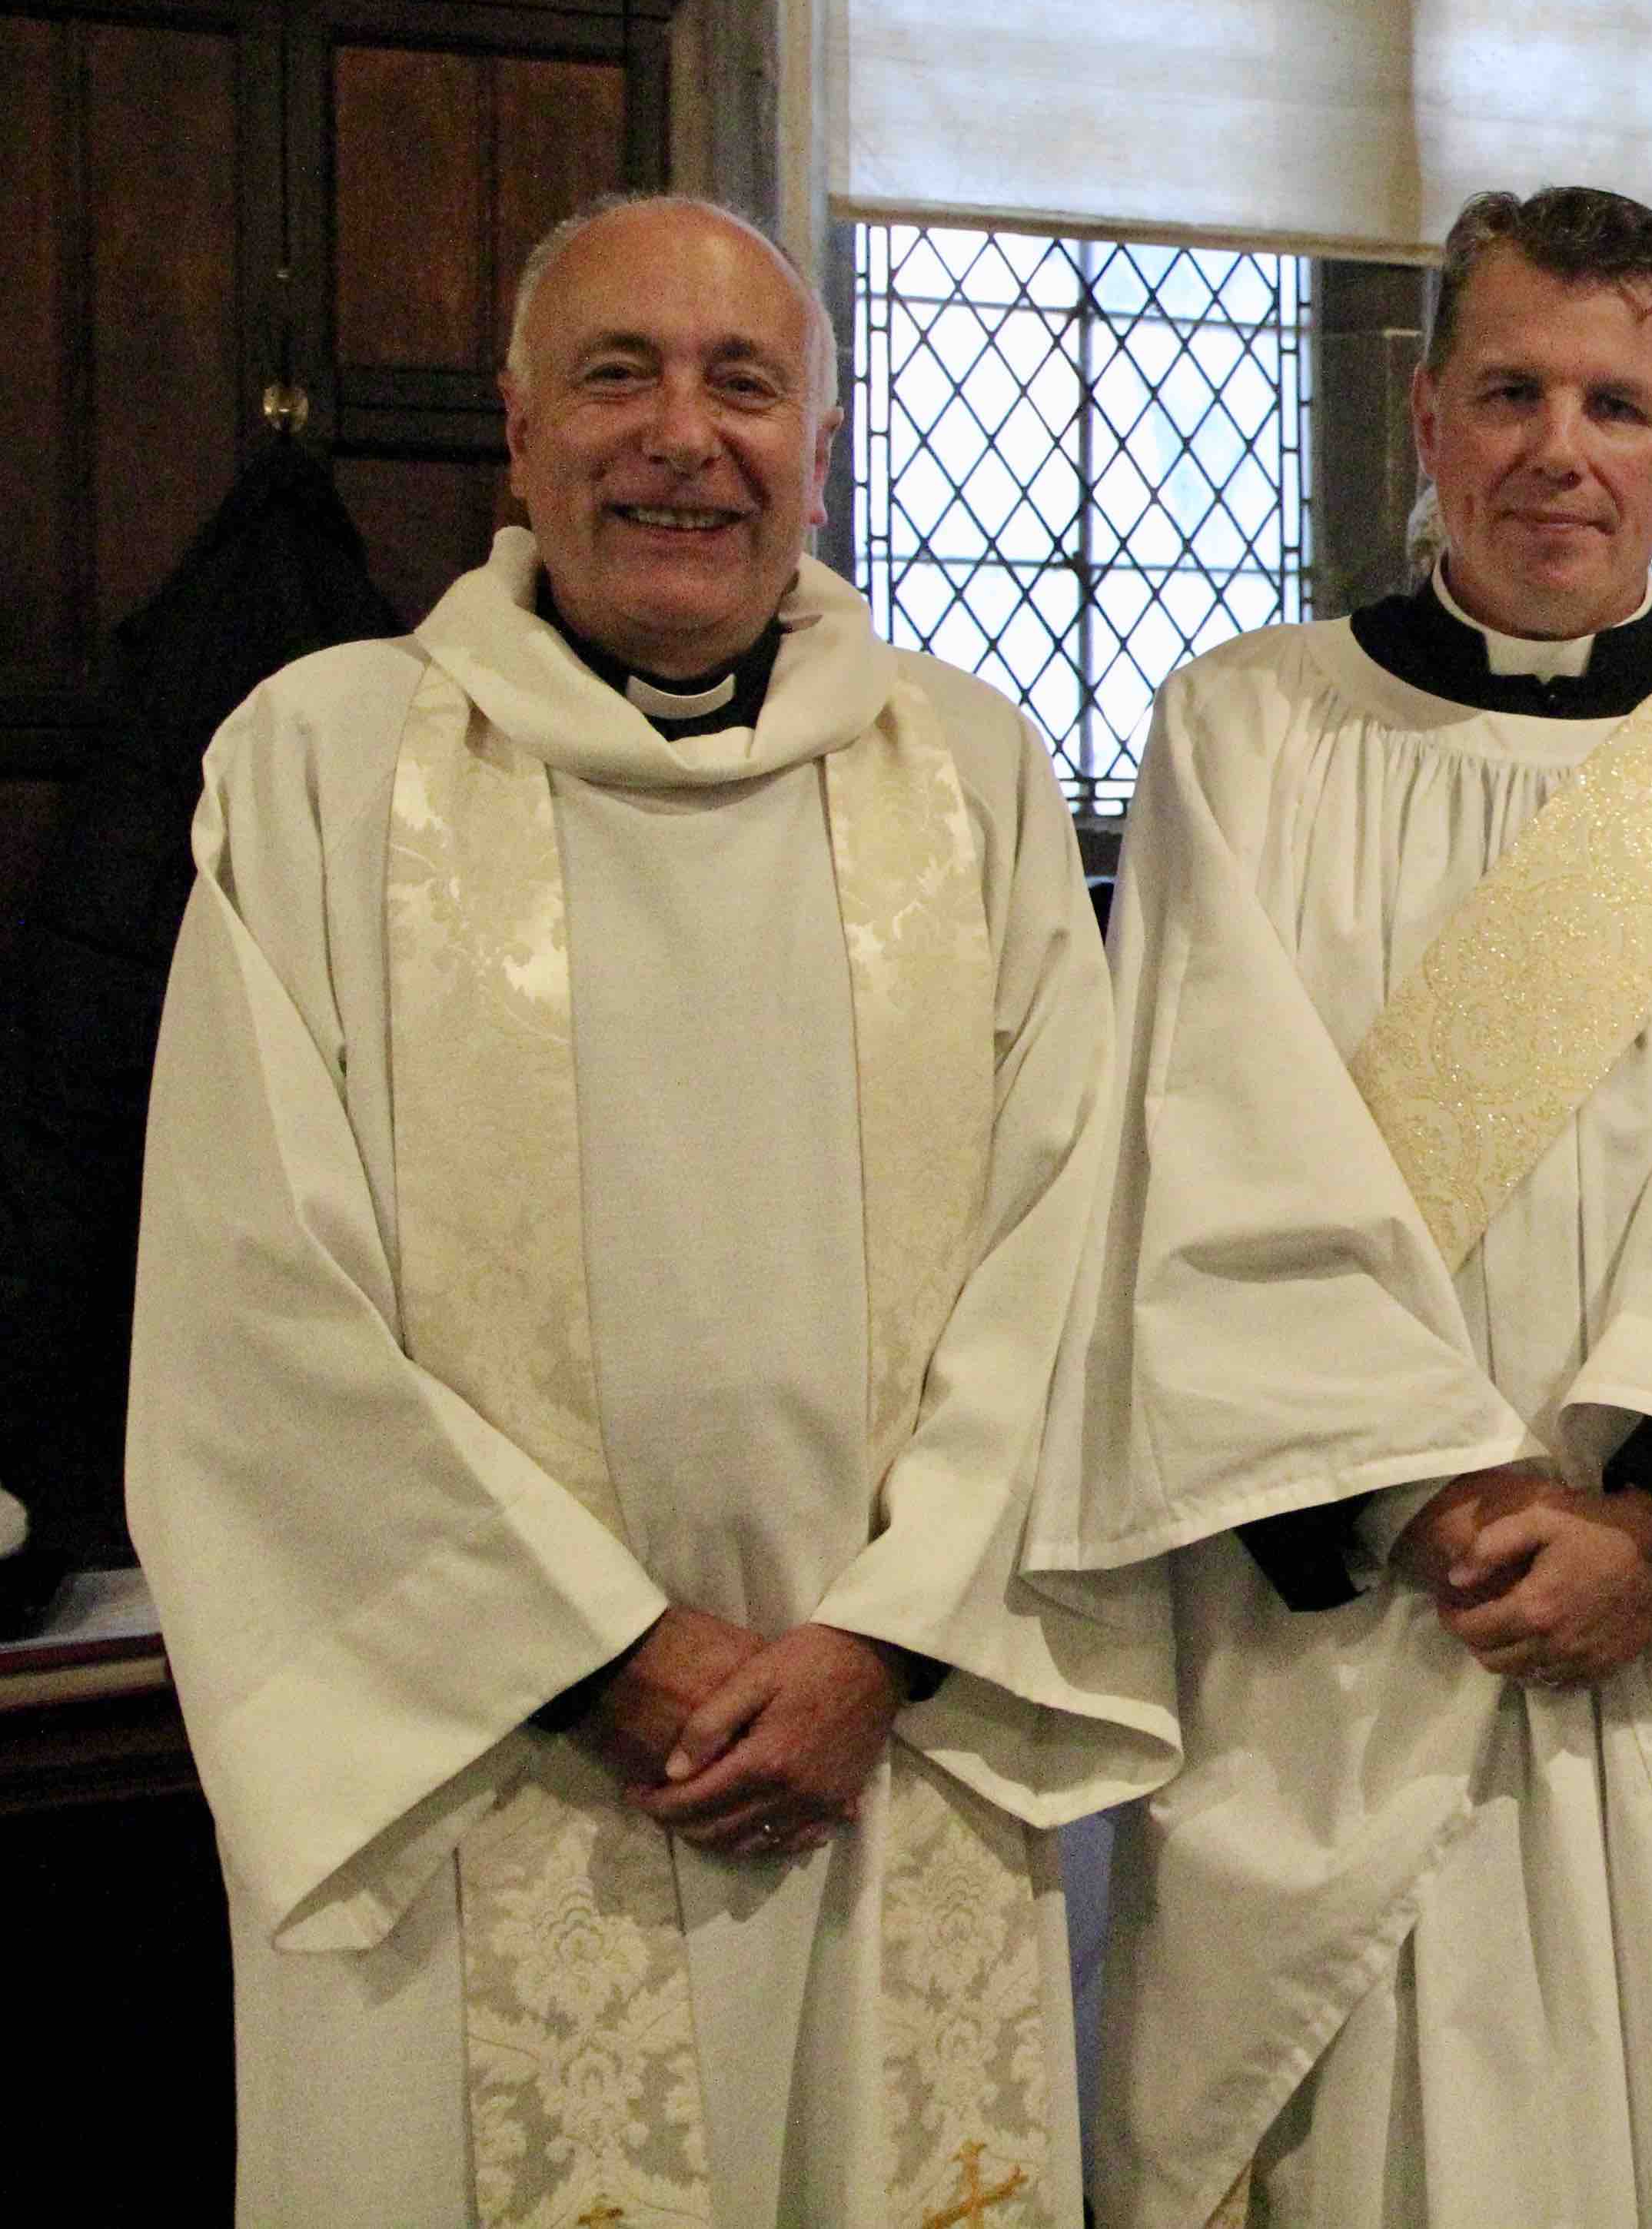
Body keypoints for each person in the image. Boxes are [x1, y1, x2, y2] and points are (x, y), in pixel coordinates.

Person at [127, 192, 1175, 2226]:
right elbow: (246, 1305)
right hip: (488, 1762)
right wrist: (600, 1647)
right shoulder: (327, 769)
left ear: (819, 442)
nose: (683, 435)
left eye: (743, 383)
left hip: (894, 1750)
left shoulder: (965, 774)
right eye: (619, 374)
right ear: (517, 439)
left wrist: (882, 1637)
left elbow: (1077, 1246)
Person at [1036, 186, 1652, 2229]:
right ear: (1428, 416)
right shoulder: (1250, 730)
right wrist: (1429, 1499)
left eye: (1620, 402)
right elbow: (1208, 1143)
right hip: (1363, 1635)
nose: (1564, 448)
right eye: (1515, 390)